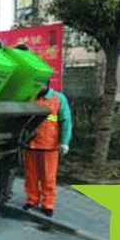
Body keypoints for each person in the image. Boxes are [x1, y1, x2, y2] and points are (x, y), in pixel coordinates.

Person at [23, 81, 72, 218]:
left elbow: (66, 121)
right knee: (31, 176)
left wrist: (65, 142)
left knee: (48, 177)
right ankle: (32, 200)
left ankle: (48, 204)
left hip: (49, 146)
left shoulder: (58, 99)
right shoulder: (31, 97)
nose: (37, 88)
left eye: (40, 85)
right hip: (31, 144)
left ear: (46, 85)